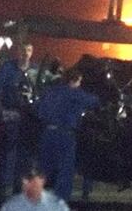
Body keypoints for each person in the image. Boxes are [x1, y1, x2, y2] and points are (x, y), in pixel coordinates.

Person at [36, 67, 99, 202]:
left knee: (44, 169)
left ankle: (37, 200)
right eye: (79, 82)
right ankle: (60, 203)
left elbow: (40, 112)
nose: (80, 85)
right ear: (74, 80)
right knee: (65, 171)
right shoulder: (75, 93)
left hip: (47, 134)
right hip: (65, 135)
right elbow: (94, 101)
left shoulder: (50, 92)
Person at [0, 42, 40, 196]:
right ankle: (3, 186)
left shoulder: (35, 71)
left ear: (32, 52)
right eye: (23, 50)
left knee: (26, 155)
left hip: (29, 119)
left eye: (28, 50)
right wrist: (3, 111)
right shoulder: (8, 68)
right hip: (11, 116)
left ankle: (18, 186)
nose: (25, 53)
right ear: (18, 52)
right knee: (8, 152)